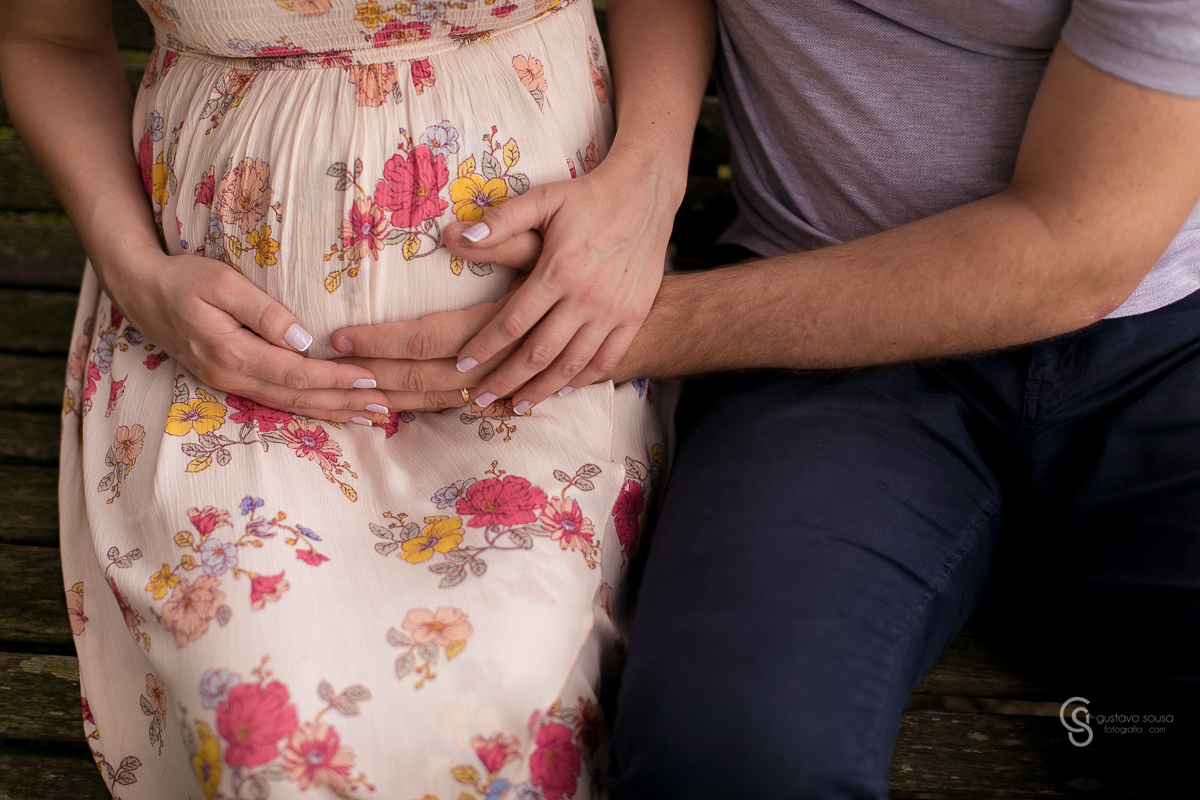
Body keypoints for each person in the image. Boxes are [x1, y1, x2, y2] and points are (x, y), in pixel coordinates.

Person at [337, 0, 1200, 796]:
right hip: (821, 345)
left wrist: (606, 332)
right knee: (732, 755)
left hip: (1162, 347)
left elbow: (1077, 246)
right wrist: (648, 165)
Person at [0, 1, 691, 798]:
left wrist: (649, 176)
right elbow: (47, 37)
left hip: (544, 351)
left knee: (508, 705)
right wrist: (136, 274)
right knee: (271, 734)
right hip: (217, 374)